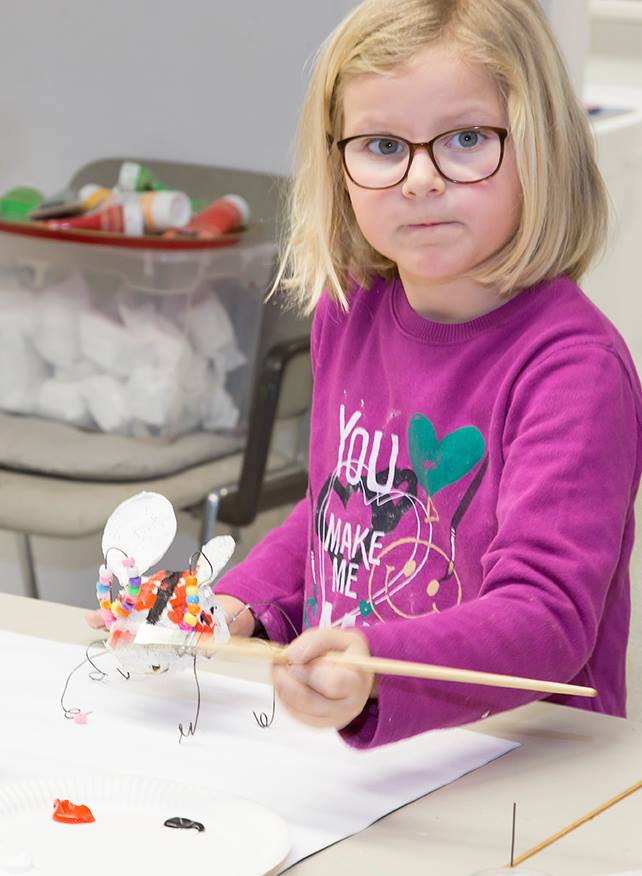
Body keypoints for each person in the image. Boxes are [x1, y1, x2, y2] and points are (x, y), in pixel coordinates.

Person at [92, 0, 642, 749]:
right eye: (384, 146)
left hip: (522, 761)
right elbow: (332, 515)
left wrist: (376, 666)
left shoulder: (574, 369)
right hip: (366, 757)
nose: (420, 180)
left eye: (466, 139)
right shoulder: (349, 311)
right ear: (339, 163)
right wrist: (234, 604)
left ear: (539, 146)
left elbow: (548, 617)